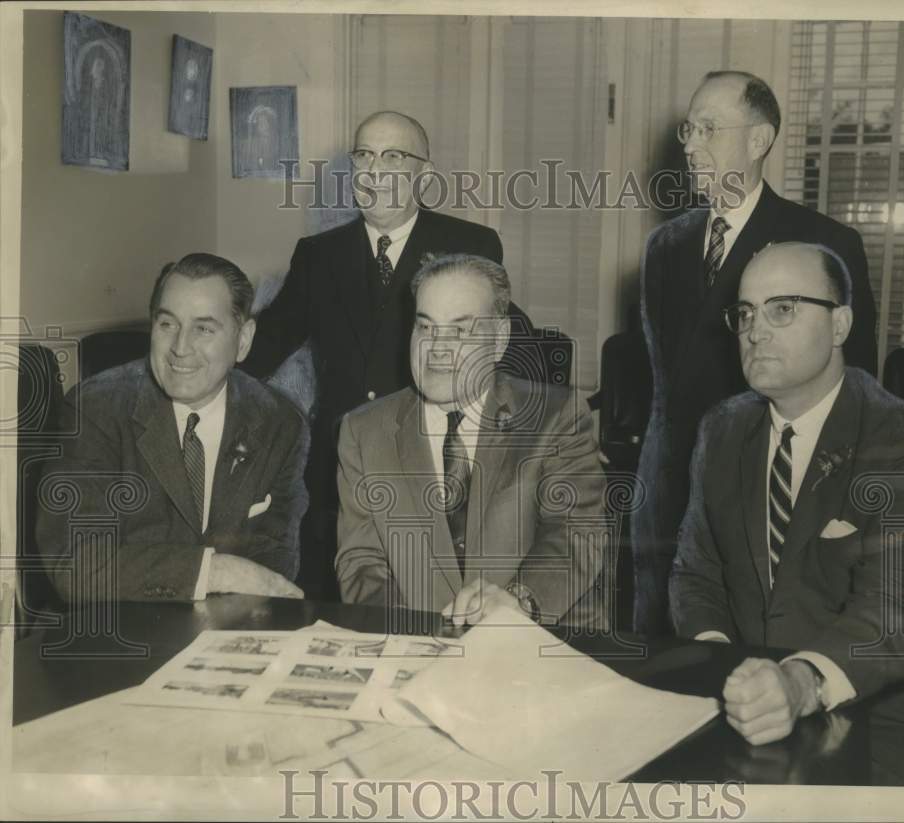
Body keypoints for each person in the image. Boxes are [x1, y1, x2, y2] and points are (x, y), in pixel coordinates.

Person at [670, 242, 904, 747]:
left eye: (782, 309)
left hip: (873, 721)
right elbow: (696, 573)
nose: (755, 332)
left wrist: (801, 681)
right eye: (745, 314)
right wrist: (721, 665)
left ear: (840, 325)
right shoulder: (722, 428)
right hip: (747, 710)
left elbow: (899, 615)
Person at [243, 110, 537, 600]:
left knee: (436, 604)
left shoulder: (469, 244)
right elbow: (264, 345)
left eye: (394, 157)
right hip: (340, 471)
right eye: (364, 155)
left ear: (423, 172)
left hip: (436, 464)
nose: (375, 171)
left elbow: (506, 345)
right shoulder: (317, 255)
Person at [634, 70, 879, 633]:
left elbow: (856, 385)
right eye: (688, 130)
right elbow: (662, 383)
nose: (691, 145)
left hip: (770, 500)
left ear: (759, 140)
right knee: (661, 663)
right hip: (665, 499)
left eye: (709, 129)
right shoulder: (664, 246)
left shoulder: (825, 243)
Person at [335, 254, 608, 629]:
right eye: (426, 327)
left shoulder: (555, 416)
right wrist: (411, 638)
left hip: (538, 644)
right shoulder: (363, 431)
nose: (438, 349)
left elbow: (577, 535)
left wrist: (518, 603)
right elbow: (362, 563)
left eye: (460, 331)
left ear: (498, 340)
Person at [36, 254, 308, 603]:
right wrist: (215, 571)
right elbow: (75, 563)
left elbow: (276, 560)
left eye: (204, 329)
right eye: (168, 324)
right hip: (126, 639)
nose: (180, 348)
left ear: (243, 340)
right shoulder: (95, 411)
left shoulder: (280, 421)